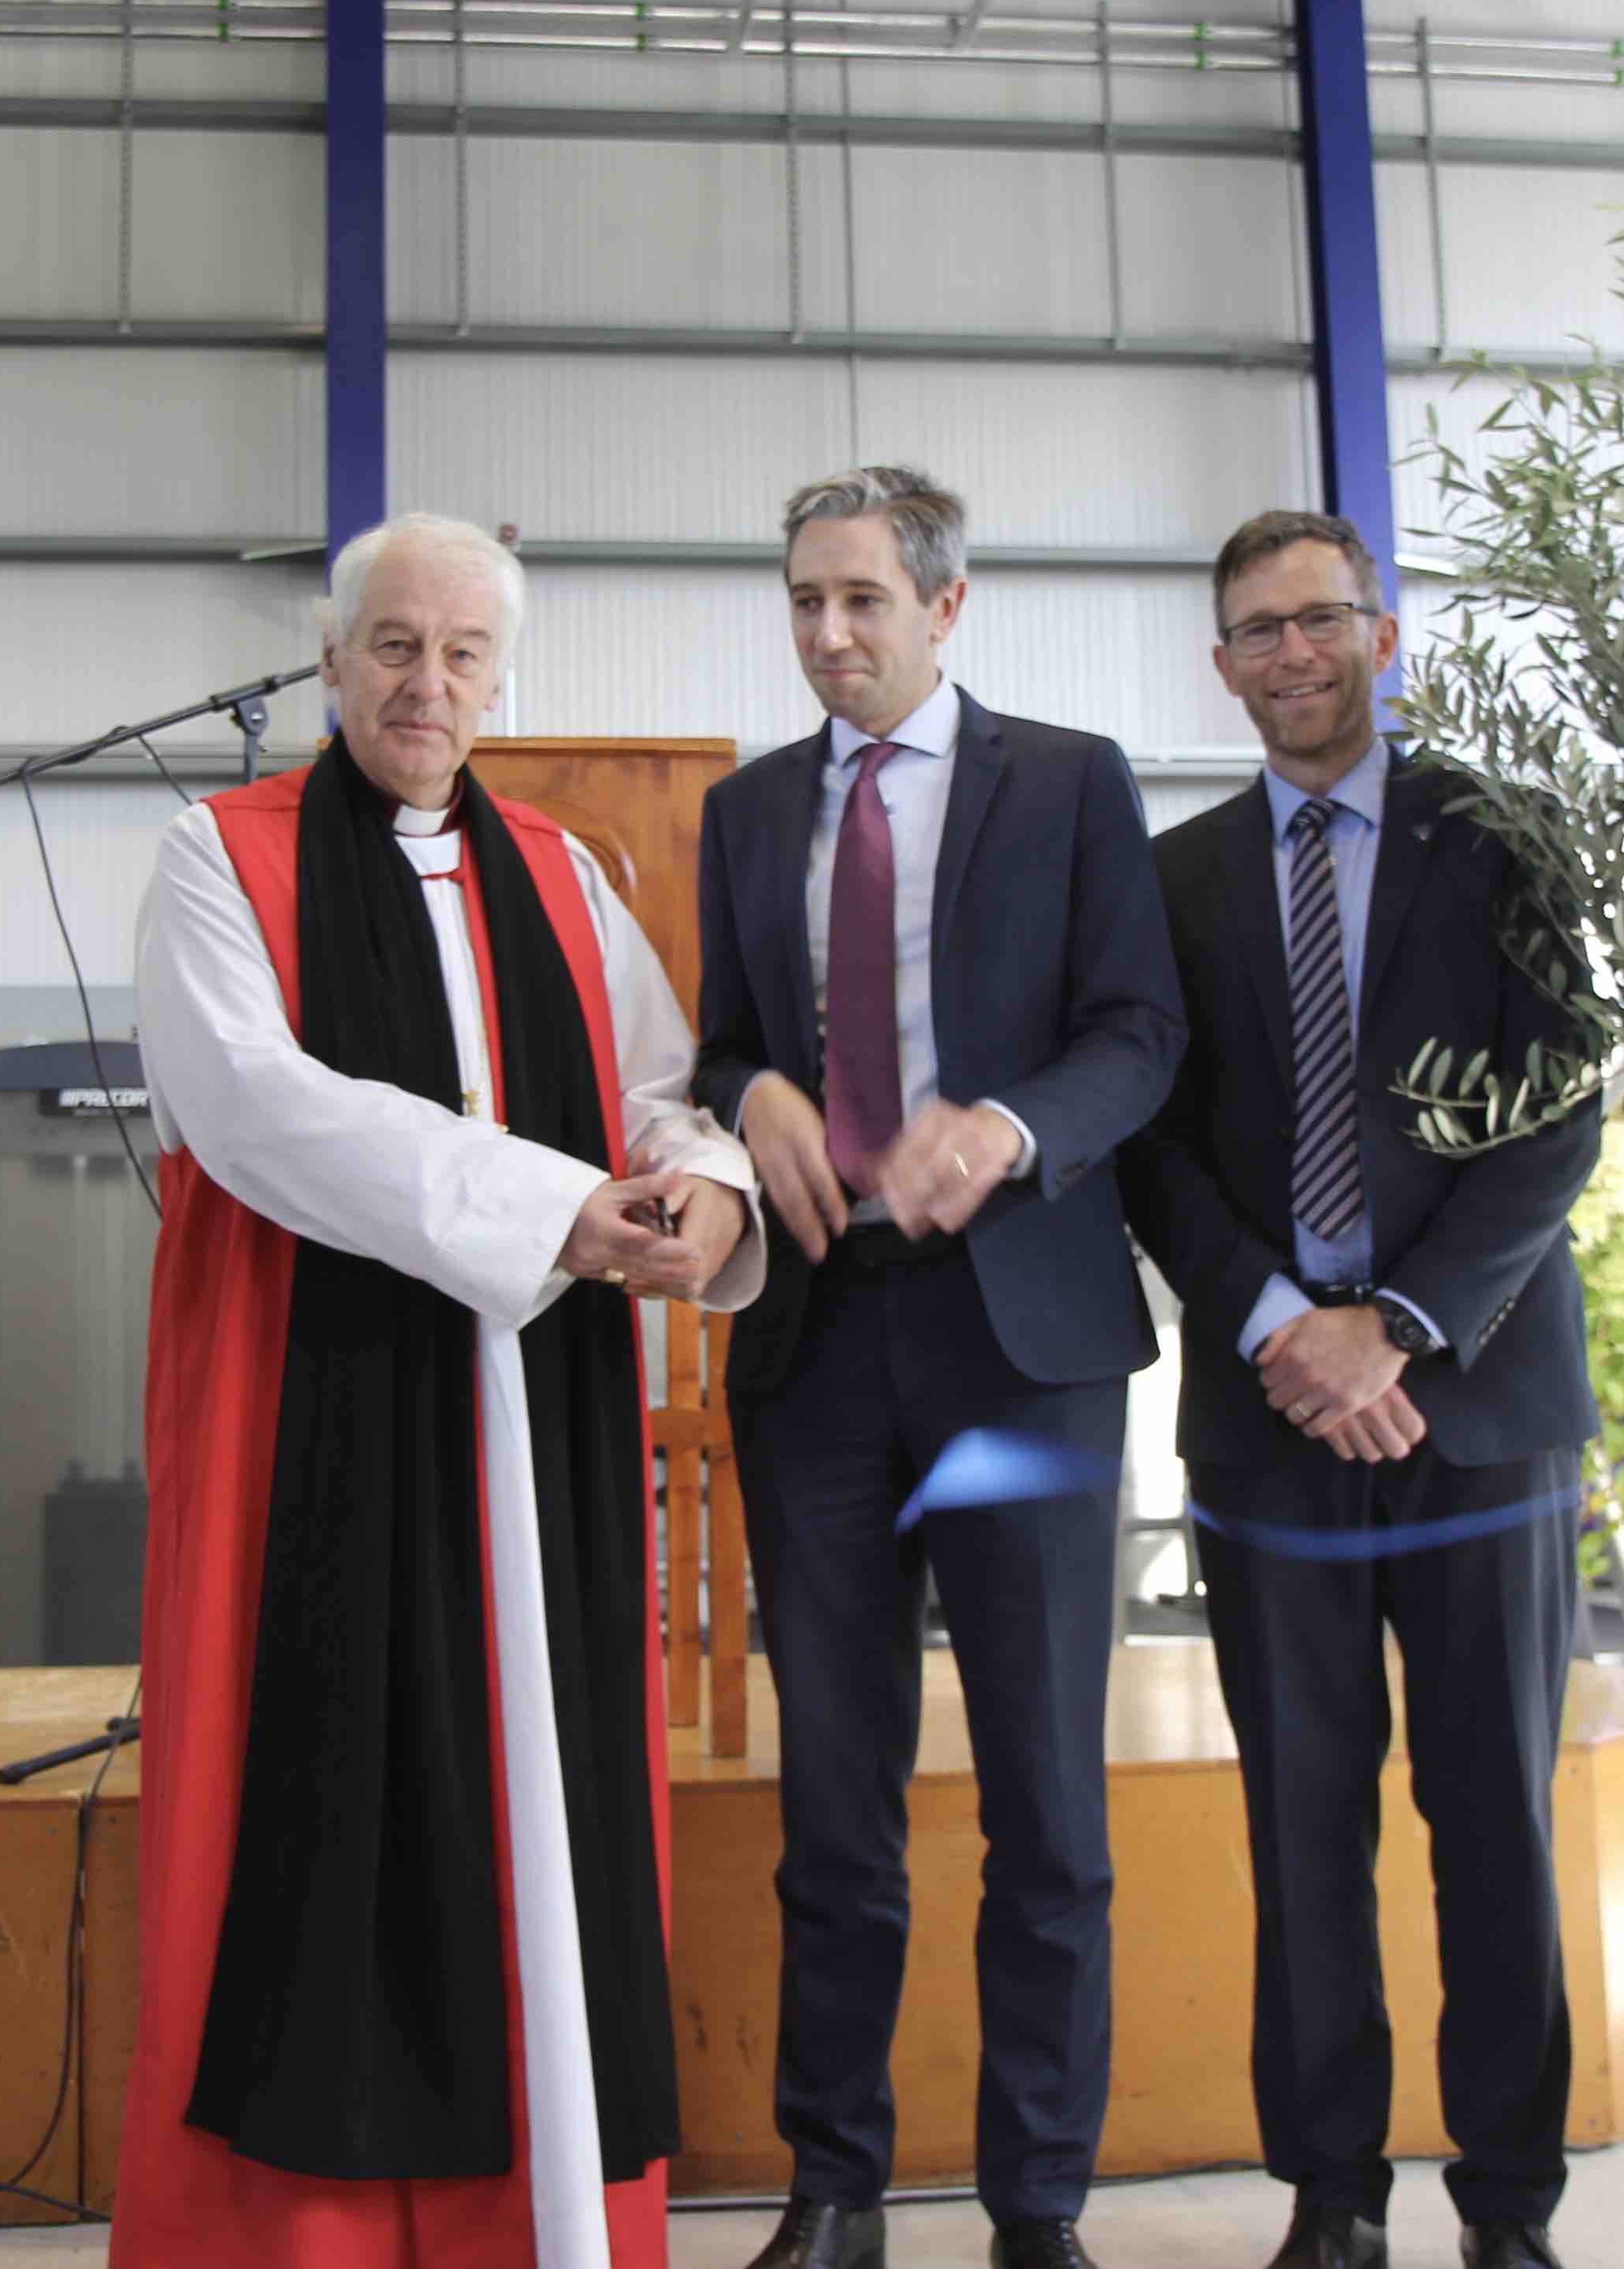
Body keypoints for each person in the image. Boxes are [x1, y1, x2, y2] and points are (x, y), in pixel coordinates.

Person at [117, 513, 764, 2269]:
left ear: (500, 678)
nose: (426, 680)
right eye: (392, 644)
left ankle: (530, 2219)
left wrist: (705, 1184)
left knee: (532, 1810)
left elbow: (655, 1084)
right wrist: (557, 1203)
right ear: (331, 665)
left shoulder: (557, 870)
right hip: (306, 1414)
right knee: (318, 1811)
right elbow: (255, 1108)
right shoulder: (215, 859)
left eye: (462, 652)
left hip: (530, 1416)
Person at [690, 464, 1184, 2269]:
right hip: (821, 1341)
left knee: (1048, 1799)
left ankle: (1037, 2205)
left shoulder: (1067, 785)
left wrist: (1015, 1126)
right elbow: (729, 1039)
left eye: (864, 602)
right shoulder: (746, 813)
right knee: (838, 1799)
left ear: (947, 607)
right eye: (805, 600)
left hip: (1024, 1347)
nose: (829, 635)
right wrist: (743, 1092)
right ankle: (837, 2191)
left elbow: (1142, 1034)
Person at [1117, 511, 1601, 2269]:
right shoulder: (1164, 882)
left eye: (1317, 619)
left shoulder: (1501, 842)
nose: (1287, 653)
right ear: (1221, 661)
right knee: (1298, 1832)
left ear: (1376, 639)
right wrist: (1273, 1326)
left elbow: (1559, 1114)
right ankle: (1328, 2199)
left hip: (1472, 1402)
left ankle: (1508, 2206)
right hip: (1270, 1424)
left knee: (1493, 1825)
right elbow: (1148, 1143)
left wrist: (1390, 1322)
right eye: (1252, 628)